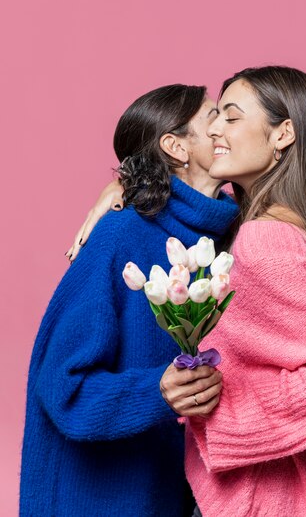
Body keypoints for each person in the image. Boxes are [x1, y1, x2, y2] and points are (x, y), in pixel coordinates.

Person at [160, 66, 306, 517]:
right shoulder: (303, 227)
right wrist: (123, 186)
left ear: (283, 135)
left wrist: (223, 407)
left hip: (253, 497)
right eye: (216, 116)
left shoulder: (266, 239)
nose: (215, 128)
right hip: (280, 491)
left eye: (232, 117)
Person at [20, 84, 238, 517]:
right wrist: (156, 390)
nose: (227, 127)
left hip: (171, 495)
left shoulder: (232, 238)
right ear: (176, 146)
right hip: (94, 501)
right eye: (214, 116)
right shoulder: (120, 236)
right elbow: (61, 385)